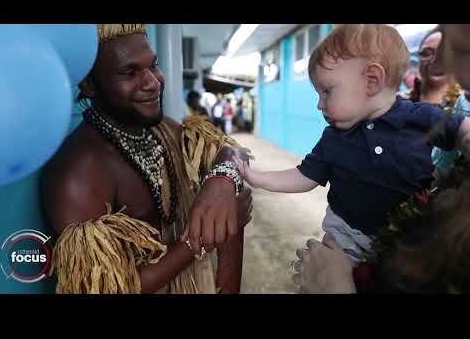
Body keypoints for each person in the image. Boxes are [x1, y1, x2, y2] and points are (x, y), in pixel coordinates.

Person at [233, 24, 470, 265]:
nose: (320, 104)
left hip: (408, 244)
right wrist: (259, 178)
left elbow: (461, 128)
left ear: (372, 81)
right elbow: (304, 176)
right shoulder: (334, 138)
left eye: (327, 91)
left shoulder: (422, 117)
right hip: (346, 245)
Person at [42, 24, 253, 294]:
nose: (152, 82)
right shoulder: (79, 173)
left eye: (152, 65)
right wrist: (203, 236)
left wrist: (221, 181)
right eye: (130, 72)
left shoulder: (160, 129)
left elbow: (232, 152)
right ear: (89, 83)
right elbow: (111, 288)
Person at [292, 24, 470, 294]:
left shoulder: (453, 126)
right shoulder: (369, 112)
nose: (441, 59)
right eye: (426, 51)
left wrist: (335, 287)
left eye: (460, 48)